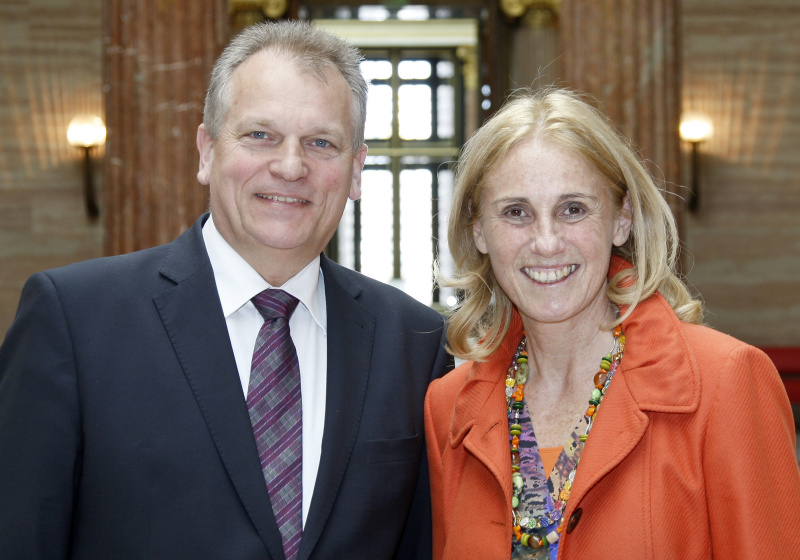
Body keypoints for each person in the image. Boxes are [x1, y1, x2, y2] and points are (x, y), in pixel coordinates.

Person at [0, 20, 451, 560]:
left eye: (321, 142)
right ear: (208, 150)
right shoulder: (75, 320)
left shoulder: (415, 341)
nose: (290, 166)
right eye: (260, 135)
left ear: (356, 170)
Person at [424, 87, 800, 559]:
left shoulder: (727, 383)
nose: (545, 242)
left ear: (621, 220)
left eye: (573, 209)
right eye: (516, 212)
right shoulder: (449, 408)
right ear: (479, 230)